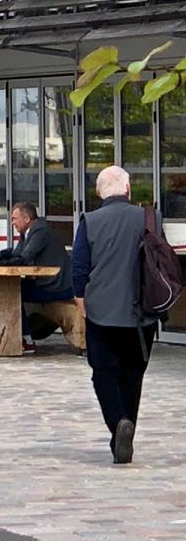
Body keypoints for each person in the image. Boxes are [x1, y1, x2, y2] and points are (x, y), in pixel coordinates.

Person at [71, 165, 159, 465]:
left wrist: (81, 302)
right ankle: (126, 429)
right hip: (141, 311)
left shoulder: (90, 221)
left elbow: (79, 267)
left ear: (99, 192)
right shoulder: (150, 218)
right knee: (133, 374)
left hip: (101, 311)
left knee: (103, 373)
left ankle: (118, 422)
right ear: (128, 190)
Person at [0, 201, 73, 353]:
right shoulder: (28, 232)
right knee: (12, 288)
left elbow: (24, 258)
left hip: (57, 286)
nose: (12, 222)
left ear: (26, 218)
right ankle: (18, 336)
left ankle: (26, 340)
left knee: (12, 291)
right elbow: (16, 254)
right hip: (46, 283)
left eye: (15, 218)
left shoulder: (40, 231)